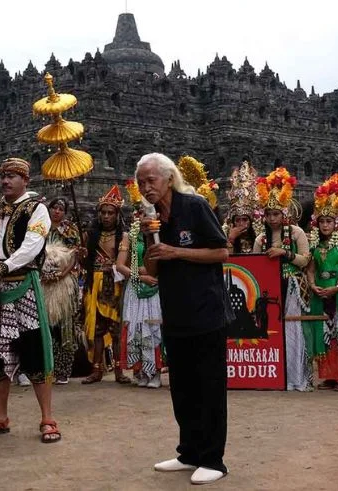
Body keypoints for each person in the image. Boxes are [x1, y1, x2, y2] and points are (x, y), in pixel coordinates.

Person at [138, 153, 229, 485]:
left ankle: (213, 459)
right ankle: (189, 452)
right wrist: (153, 246)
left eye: (151, 180)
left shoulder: (194, 206)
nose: (146, 187)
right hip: (173, 312)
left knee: (209, 387)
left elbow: (221, 251)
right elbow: (153, 270)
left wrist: (177, 251)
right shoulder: (149, 219)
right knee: (182, 388)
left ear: (168, 178)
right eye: (140, 182)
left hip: (206, 311)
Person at [0, 158, 59, 443]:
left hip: (22, 288)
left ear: (25, 181)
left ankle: (47, 417)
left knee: (33, 350)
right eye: (3, 176)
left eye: (12, 177)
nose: (6, 181)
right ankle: (0, 416)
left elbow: (31, 247)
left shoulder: (37, 209)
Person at [252, 166, 312, 392]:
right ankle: (272, 375)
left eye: (276, 214)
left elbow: (305, 260)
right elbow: (255, 265)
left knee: (293, 330)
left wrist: (285, 254)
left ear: (284, 214)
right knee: (270, 331)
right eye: (268, 214)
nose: (271, 218)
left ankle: (295, 378)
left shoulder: (296, 233)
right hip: (270, 291)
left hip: (293, 288)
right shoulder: (260, 238)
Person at [305, 174, 338, 391]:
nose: (325, 225)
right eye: (322, 221)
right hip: (320, 292)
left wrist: (336, 287)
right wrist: (312, 285)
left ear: (336, 223)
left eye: (329, 221)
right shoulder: (316, 245)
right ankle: (329, 376)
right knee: (324, 332)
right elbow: (310, 269)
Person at [81, 185, 130, 384]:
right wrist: (81, 256)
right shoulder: (89, 236)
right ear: (99, 214)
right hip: (94, 285)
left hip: (114, 285)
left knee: (116, 331)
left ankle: (119, 371)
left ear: (117, 215)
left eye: (111, 213)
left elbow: (124, 262)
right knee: (98, 330)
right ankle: (97, 370)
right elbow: (84, 264)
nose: (107, 216)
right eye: (103, 212)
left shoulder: (124, 237)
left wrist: (113, 267)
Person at [117, 180, 163, 388]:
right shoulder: (129, 236)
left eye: (150, 214)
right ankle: (141, 371)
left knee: (153, 328)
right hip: (136, 288)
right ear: (137, 215)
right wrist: (140, 276)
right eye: (143, 213)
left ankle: (155, 373)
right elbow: (120, 266)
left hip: (155, 287)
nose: (146, 218)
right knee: (136, 328)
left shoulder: (160, 236)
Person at [43, 196, 82, 385]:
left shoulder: (70, 231)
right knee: (45, 325)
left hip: (64, 282)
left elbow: (74, 256)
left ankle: (63, 370)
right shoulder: (39, 228)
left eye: (61, 209)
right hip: (43, 282)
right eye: (54, 207)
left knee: (64, 326)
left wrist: (61, 274)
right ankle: (46, 367)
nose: (57, 211)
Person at [221, 160, 259, 254]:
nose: (241, 224)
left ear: (251, 221)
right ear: (232, 222)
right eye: (237, 220)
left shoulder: (260, 237)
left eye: (245, 219)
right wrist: (231, 239)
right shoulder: (224, 236)